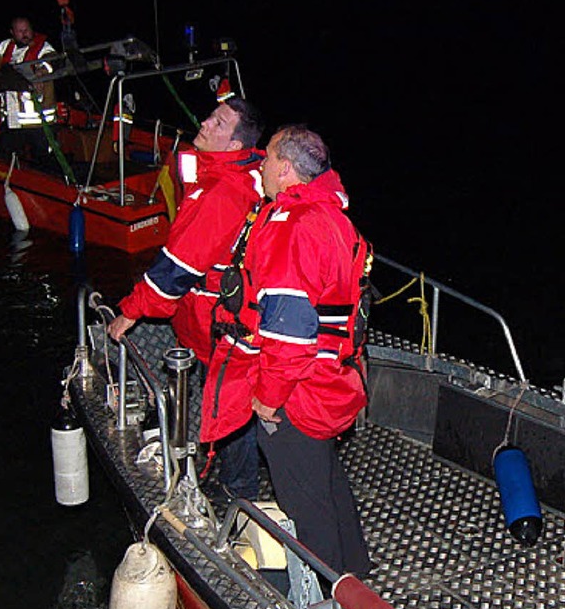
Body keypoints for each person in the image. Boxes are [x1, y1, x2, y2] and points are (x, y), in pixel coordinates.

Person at [201, 125, 372, 577]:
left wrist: (268, 398)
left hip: (300, 393)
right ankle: (357, 569)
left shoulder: (290, 226)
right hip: (335, 378)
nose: (261, 164)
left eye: (268, 157)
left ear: (286, 168)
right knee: (327, 480)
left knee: (304, 502)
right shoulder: (333, 218)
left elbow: (289, 333)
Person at [108, 95, 266, 501]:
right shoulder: (245, 173)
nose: (206, 123)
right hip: (228, 314)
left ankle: (237, 495)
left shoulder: (221, 195)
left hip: (217, 320)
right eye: (211, 115)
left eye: (218, 123)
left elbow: (178, 267)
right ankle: (228, 474)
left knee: (228, 405)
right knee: (227, 397)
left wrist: (130, 311)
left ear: (235, 146)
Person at [0, 16, 57, 163]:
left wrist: (40, 72)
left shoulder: (43, 47)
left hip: (39, 121)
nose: (24, 34)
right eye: (20, 31)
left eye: (27, 30)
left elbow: (51, 60)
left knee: (43, 159)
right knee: (5, 156)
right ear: (12, 33)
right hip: (13, 119)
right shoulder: (5, 47)